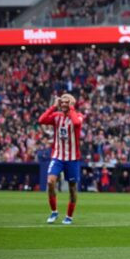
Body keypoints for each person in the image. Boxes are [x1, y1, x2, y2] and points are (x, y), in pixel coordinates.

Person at [38, 94, 84, 225]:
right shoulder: (56, 116)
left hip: (73, 159)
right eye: (62, 102)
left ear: (71, 104)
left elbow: (76, 123)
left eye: (66, 102)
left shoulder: (78, 116)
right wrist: (53, 106)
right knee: (50, 182)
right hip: (58, 156)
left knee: (72, 188)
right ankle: (54, 212)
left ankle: (69, 216)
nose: (63, 105)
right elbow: (41, 120)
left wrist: (72, 108)